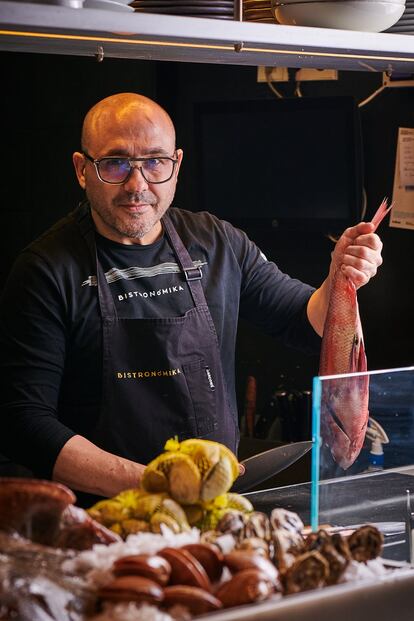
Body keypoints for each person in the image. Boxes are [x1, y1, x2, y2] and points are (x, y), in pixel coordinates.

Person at [0, 93, 384, 505]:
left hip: (212, 512)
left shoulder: (218, 243)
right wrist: (156, 485)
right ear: (81, 169)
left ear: (176, 165)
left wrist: (341, 275)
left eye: (155, 162)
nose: (137, 185)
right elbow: (24, 422)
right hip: (103, 524)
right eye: (115, 164)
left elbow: (304, 320)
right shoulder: (45, 270)